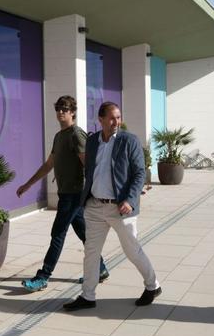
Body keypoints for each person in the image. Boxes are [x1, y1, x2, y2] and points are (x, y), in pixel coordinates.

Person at [63, 101, 160, 311]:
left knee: (132, 250)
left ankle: (153, 285)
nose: (116, 121)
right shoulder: (92, 141)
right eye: (112, 117)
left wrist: (129, 199)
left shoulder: (129, 141)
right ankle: (88, 296)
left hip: (121, 208)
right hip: (95, 206)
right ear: (100, 119)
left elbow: (139, 174)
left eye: (118, 117)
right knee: (91, 252)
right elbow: (91, 171)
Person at [16, 95, 108, 292]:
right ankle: (100, 268)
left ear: (72, 112)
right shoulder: (59, 136)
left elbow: (89, 164)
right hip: (65, 192)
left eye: (64, 109)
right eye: (58, 109)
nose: (60, 112)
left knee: (57, 233)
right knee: (84, 234)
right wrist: (28, 184)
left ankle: (43, 276)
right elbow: (49, 164)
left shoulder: (76, 134)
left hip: (74, 194)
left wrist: (93, 191)